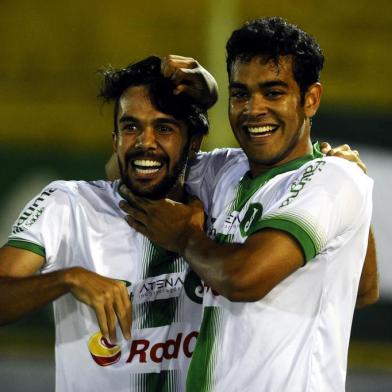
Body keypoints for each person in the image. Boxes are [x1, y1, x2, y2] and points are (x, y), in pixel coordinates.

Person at [119, 17, 378, 391]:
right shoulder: (223, 170)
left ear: (310, 99)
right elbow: (129, 171)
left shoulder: (332, 178)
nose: (253, 109)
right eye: (240, 94)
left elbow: (244, 278)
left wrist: (185, 238)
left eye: (273, 93)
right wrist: (202, 98)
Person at [0, 55, 216, 392]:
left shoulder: (223, 197)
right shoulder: (69, 204)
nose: (145, 142)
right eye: (131, 127)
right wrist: (68, 279)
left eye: (163, 128)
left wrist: (329, 159)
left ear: (193, 143)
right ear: (115, 140)